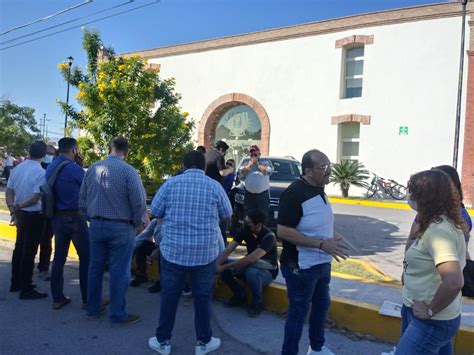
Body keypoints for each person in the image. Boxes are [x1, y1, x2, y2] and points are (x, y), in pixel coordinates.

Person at [148, 150, 232, 355]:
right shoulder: (215, 186)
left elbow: (156, 212)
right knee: (202, 298)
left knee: (169, 296)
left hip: (173, 251)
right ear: (204, 167)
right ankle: (203, 343)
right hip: (205, 254)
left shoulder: (170, 184)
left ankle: (163, 342)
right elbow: (227, 214)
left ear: (183, 166)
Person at [277, 149, 348, 355]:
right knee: (298, 314)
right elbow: (283, 231)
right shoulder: (294, 193)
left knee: (321, 306)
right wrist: (320, 244)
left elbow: (313, 221)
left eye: (329, 166)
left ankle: (316, 349)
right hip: (301, 266)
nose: (329, 171)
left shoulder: (318, 187)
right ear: (308, 171)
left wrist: (328, 239)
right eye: (323, 167)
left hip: (321, 263)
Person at [395, 170, 467, 354]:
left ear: (426, 197)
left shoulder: (439, 231)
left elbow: (454, 282)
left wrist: (430, 310)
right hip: (420, 310)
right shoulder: (431, 221)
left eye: (413, 192)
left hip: (431, 320)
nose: (409, 197)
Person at [79, 136, 147, 326]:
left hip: (96, 225)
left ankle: (93, 308)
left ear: (110, 147)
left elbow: (82, 198)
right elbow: (139, 202)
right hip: (120, 226)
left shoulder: (93, 168)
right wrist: (137, 222)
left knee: (95, 268)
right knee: (119, 272)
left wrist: (89, 217)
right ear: (127, 151)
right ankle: (117, 315)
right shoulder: (129, 171)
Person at [46, 137, 89, 310]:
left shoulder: (51, 166)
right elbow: (88, 187)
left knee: (58, 259)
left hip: (57, 218)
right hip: (75, 219)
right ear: (73, 150)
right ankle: (88, 299)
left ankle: (58, 298)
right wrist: (80, 166)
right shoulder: (73, 169)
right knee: (87, 258)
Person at [6, 141, 48, 299]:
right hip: (33, 215)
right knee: (29, 252)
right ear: (44, 155)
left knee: (19, 248)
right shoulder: (41, 172)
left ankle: (15, 282)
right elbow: (36, 197)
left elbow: (9, 191)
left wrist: (13, 208)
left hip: (21, 215)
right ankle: (26, 287)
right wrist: (18, 206)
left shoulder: (17, 169)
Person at [217, 208, 278, 317]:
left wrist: (225, 267)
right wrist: (217, 266)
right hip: (249, 265)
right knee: (223, 263)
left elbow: (250, 259)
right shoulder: (245, 230)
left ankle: (257, 303)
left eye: (248, 223)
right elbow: (228, 250)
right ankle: (239, 295)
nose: (245, 225)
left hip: (267, 271)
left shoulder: (269, 236)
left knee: (252, 272)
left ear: (258, 225)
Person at [37, 142, 58, 281]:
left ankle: (43, 268)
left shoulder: (54, 169)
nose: (48, 156)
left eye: (51, 154)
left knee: (46, 241)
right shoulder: (37, 168)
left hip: (50, 211)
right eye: (47, 154)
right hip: (36, 210)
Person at [239, 145, 273, 221]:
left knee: (263, 216)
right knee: (248, 216)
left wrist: (257, 164)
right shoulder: (246, 163)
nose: (253, 156)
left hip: (262, 195)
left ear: (259, 154)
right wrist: (249, 165)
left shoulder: (265, 162)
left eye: (255, 154)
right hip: (249, 195)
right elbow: (242, 174)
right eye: (252, 155)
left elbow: (267, 171)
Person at [132, 218, 162, 293]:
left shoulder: (171, 221)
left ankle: (162, 282)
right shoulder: (155, 221)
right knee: (142, 245)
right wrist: (130, 248)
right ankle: (141, 274)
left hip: (169, 249)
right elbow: (144, 234)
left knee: (164, 255)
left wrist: (157, 251)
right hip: (158, 246)